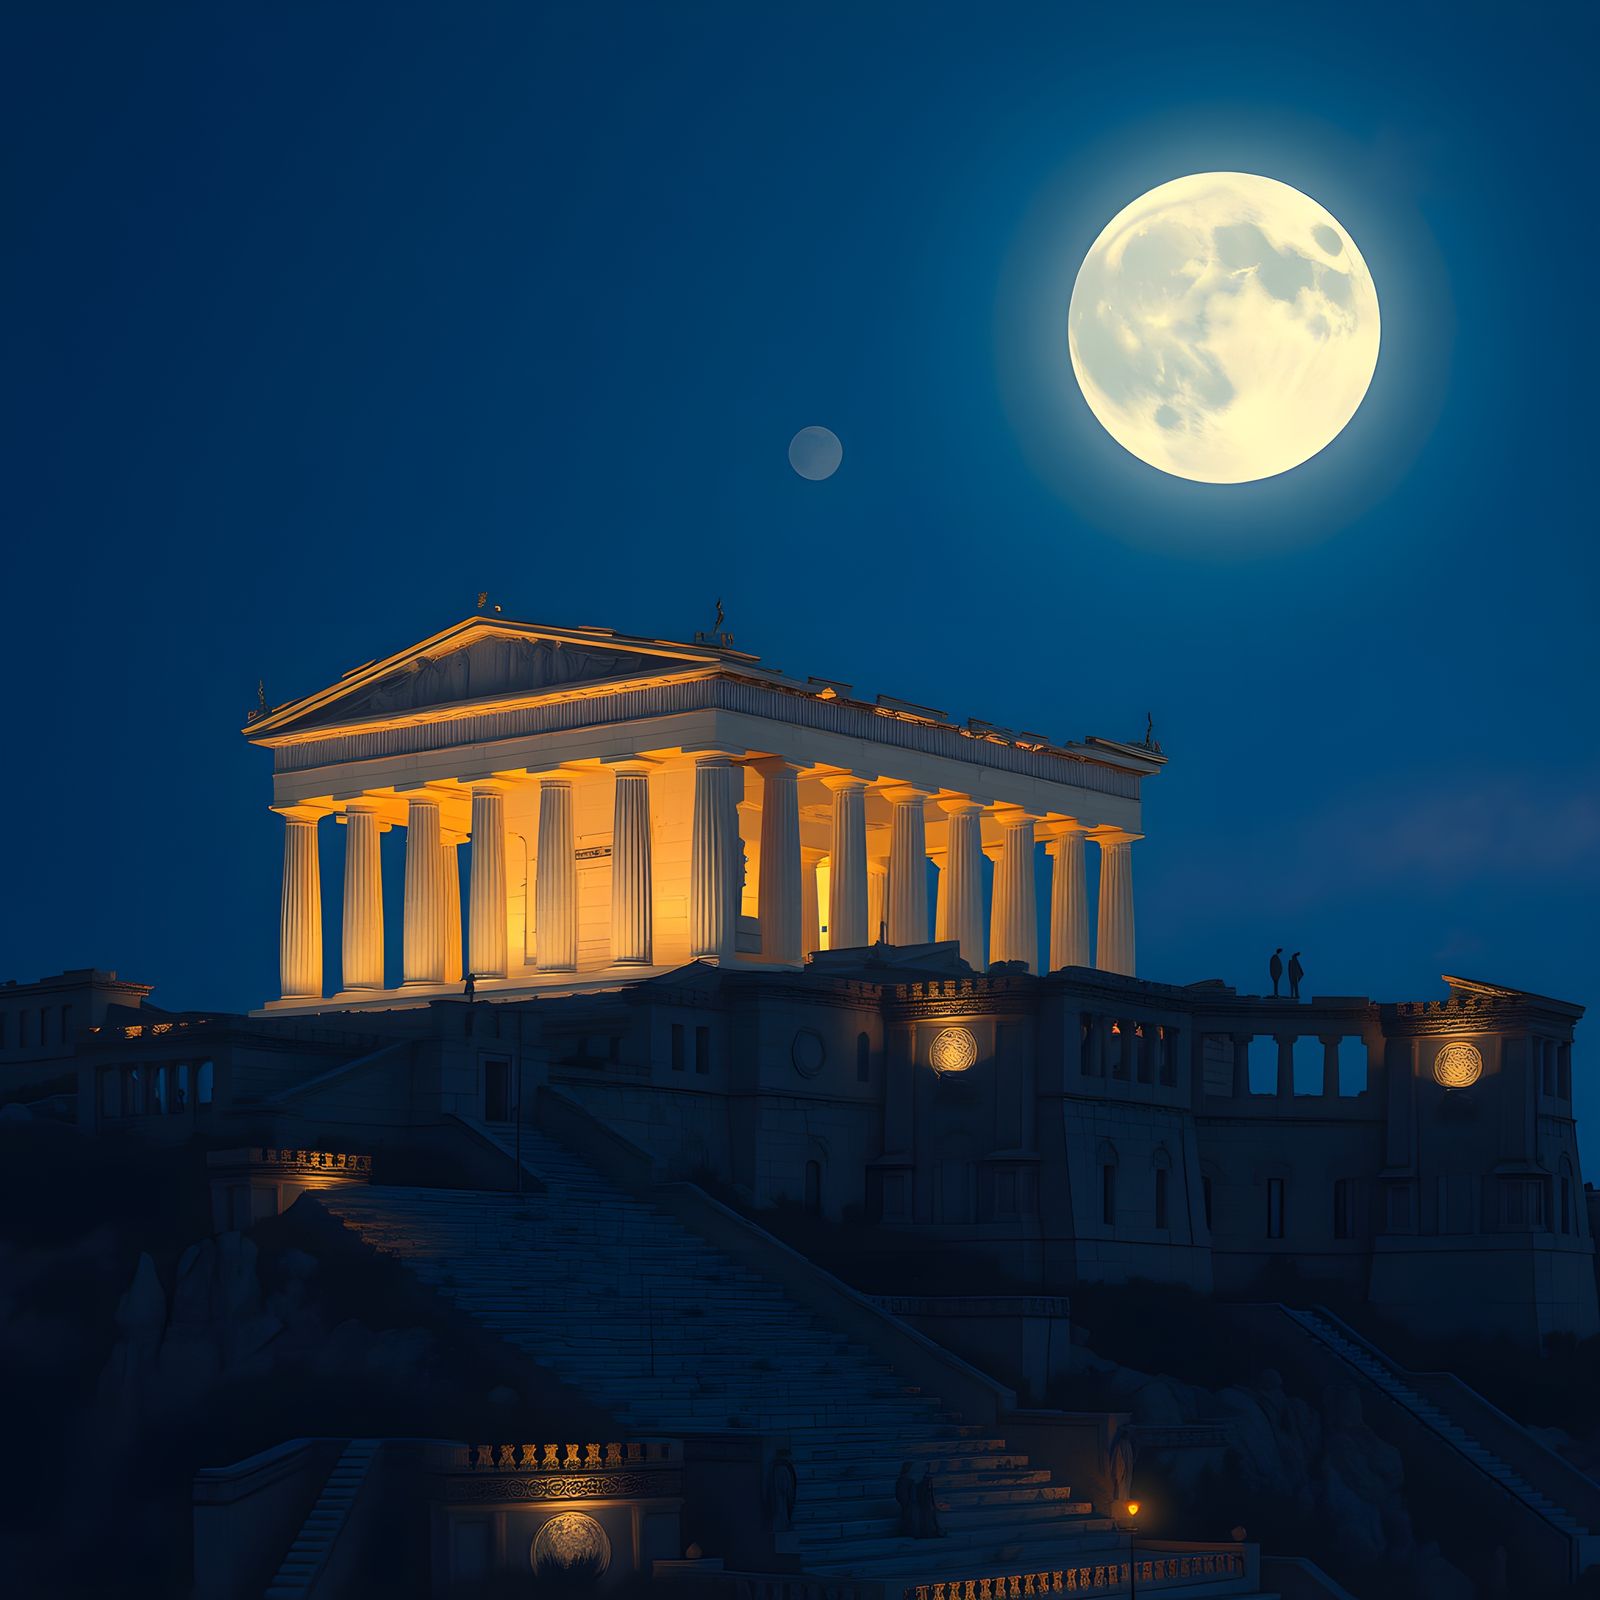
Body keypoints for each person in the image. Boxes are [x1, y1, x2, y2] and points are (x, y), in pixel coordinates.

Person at [915, 1467, 944, 1538]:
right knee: (928, 1519)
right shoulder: (920, 1485)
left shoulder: (924, 1484)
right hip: (926, 1505)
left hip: (928, 1505)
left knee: (932, 1519)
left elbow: (931, 1496)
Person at [894, 1462, 917, 1536]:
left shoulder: (904, 1480)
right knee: (908, 1516)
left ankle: (908, 1531)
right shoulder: (905, 1480)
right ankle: (908, 1531)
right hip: (907, 1501)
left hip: (907, 1501)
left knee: (907, 1516)